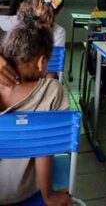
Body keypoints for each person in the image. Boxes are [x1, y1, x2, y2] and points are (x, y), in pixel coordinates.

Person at [0, 18, 70, 205]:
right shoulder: (52, 90)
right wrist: (48, 195)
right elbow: (45, 149)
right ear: (41, 62)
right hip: (23, 193)